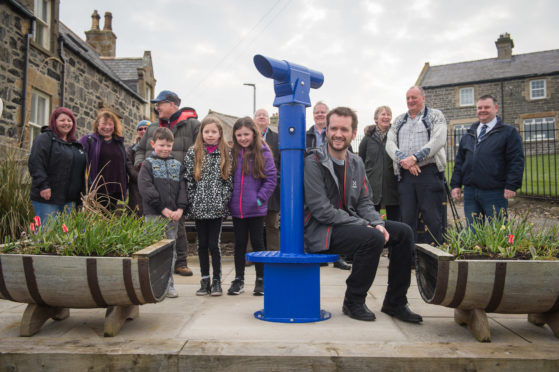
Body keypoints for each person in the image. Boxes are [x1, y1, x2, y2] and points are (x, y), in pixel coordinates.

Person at [304, 106, 422, 323]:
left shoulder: (356, 162)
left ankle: (395, 302)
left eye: (344, 129)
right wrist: (363, 225)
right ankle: (353, 301)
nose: (338, 134)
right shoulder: (314, 162)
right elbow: (321, 209)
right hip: (322, 230)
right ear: (327, 131)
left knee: (403, 232)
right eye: (334, 128)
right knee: (372, 238)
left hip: (349, 224)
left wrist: (376, 222)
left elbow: (365, 201)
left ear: (353, 133)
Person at [135, 90, 201, 277]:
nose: (156, 107)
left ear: (172, 105)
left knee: (178, 228)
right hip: (154, 184)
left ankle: (180, 263)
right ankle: (153, 268)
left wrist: (190, 171)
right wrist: (141, 165)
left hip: (179, 183)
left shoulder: (193, 125)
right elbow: (140, 150)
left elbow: (200, 151)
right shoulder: (152, 127)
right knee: (154, 230)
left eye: (159, 104)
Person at [386, 86, 447, 245]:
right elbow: (390, 144)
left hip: (429, 173)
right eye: (408, 98)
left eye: (414, 97)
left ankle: (432, 260)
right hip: (405, 175)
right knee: (407, 219)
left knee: (432, 218)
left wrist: (415, 158)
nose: (411, 101)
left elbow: (438, 140)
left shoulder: (435, 116)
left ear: (423, 98)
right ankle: (409, 258)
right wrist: (405, 161)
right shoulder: (399, 120)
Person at [450, 95, 524, 225]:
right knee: (472, 232)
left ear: (496, 108)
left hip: (495, 191)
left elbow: (516, 160)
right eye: (479, 107)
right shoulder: (468, 134)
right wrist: (456, 185)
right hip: (470, 192)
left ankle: (508, 245)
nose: (482, 110)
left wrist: (512, 185)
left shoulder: (508, 132)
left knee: (500, 231)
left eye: (486, 107)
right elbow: (460, 162)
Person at [227, 117, 277, 296]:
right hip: (236, 209)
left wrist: (259, 199)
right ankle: (239, 279)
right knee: (239, 244)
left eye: (246, 134)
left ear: (254, 133)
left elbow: (271, 178)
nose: (242, 138)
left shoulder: (263, 151)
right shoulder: (232, 152)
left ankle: (261, 279)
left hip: (255, 209)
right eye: (239, 135)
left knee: (258, 243)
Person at [184, 116, 233, 296]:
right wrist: (193, 200)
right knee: (202, 245)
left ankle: (217, 281)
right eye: (207, 132)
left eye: (214, 132)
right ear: (201, 133)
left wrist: (222, 200)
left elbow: (229, 182)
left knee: (214, 244)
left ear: (220, 134)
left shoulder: (226, 153)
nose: (210, 135)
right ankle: (205, 280)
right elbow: (189, 180)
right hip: (199, 207)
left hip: (217, 208)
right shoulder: (193, 152)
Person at [138, 127, 187, 298]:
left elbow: (182, 188)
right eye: (161, 145)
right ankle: (152, 286)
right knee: (153, 250)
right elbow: (146, 189)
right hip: (154, 214)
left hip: (173, 216)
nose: (165, 148)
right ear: (153, 144)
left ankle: (168, 285)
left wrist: (180, 208)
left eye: (168, 145)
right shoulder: (147, 165)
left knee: (170, 252)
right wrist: (162, 208)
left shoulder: (177, 165)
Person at [306, 101, 352, 270]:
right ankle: (319, 251)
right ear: (313, 115)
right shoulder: (307, 135)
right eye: (316, 112)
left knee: (336, 212)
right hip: (316, 178)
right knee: (318, 213)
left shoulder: (335, 132)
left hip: (333, 178)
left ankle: (338, 256)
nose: (319, 114)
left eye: (322, 112)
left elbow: (347, 154)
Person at [28, 107, 87, 224]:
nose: (66, 123)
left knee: (65, 236)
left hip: (70, 199)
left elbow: (82, 171)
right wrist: (43, 186)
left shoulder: (76, 145)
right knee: (47, 233)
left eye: (69, 120)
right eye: (62, 120)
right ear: (54, 122)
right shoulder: (45, 139)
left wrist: (84, 195)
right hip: (47, 198)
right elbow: (36, 163)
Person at [79, 110, 127, 210]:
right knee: (94, 222)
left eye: (110, 124)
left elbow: (123, 166)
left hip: (114, 191)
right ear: (97, 125)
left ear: (114, 126)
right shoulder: (88, 140)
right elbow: (79, 163)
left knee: (108, 222)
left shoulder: (119, 143)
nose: (107, 127)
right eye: (104, 124)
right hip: (95, 191)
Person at [359, 106, 400, 222]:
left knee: (395, 221)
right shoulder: (367, 139)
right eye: (383, 114)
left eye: (388, 114)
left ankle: (393, 240)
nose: (386, 117)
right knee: (372, 222)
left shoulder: (396, 136)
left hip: (392, 187)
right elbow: (360, 161)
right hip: (372, 188)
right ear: (376, 118)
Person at [254, 108, 280, 251]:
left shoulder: (277, 138)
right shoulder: (248, 137)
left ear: (269, 120)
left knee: (272, 224)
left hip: (272, 187)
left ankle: (274, 253)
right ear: (254, 120)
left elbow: (282, 161)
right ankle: (251, 254)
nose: (262, 117)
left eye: (265, 115)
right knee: (252, 223)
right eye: (259, 115)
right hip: (252, 186)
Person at [126, 119, 150, 216]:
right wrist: (141, 178)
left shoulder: (157, 147)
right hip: (136, 186)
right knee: (136, 213)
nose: (143, 131)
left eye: (146, 128)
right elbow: (129, 165)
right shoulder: (131, 149)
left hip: (152, 185)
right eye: (140, 129)